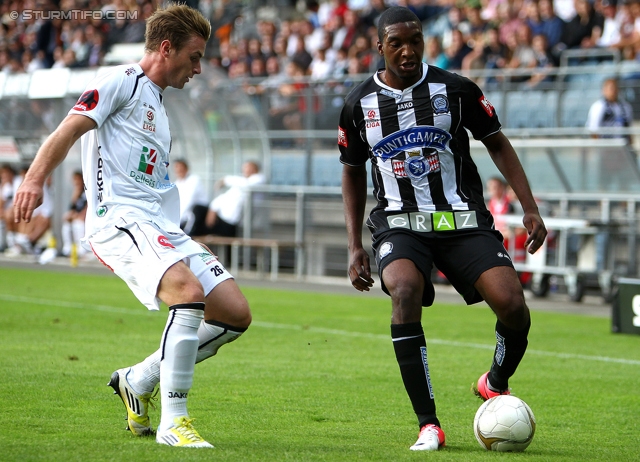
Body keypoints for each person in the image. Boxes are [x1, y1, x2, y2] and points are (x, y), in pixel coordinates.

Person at [13, 4, 251, 448]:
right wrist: (33, 180)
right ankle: (173, 422)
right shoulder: (120, 81)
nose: (198, 68)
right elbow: (67, 130)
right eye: (194, 56)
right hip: (119, 219)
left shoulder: (159, 105)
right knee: (188, 294)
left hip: (159, 224)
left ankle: (138, 380)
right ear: (166, 48)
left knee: (234, 314)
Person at [339, 7, 547, 451]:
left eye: (415, 40)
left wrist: (529, 207)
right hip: (399, 222)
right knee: (403, 290)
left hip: (461, 219)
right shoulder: (359, 104)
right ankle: (429, 424)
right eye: (396, 42)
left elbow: (497, 142)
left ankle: (494, 381)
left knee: (513, 306)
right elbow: (352, 169)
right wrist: (354, 243)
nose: (408, 50)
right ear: (379, 47)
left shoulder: (456, 90)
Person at [184, 161, 265, 238]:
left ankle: (189, 237)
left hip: (230, 223)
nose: (244, 170)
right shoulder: (241, 183)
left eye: (247, 167)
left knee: (199, 211)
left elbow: (248, 185)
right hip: (220, 217)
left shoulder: (258, 180)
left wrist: (226, 179)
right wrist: (213, 209)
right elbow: (224, 197)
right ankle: (189, 235)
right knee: (198, 210)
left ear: (254, 169)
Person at [172, 158, 207, 229]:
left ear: (186, 168)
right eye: (176, 168)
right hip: (185, 214)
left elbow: (189, 200)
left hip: (199, 211)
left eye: (180, 168)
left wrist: (178, 219)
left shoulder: (194, 179)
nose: (178, 170)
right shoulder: (176, 183)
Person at [60, 170, 88, 258]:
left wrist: (79, 216)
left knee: (78, 224)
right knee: (66, 224)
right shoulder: (77, 193)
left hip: (85, 219)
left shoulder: (87, 192)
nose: (76, 182)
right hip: (78, 217)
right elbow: (72, 208)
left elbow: (88, 207)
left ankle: (81, 250)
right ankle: (67, 249)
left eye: (77, 179)